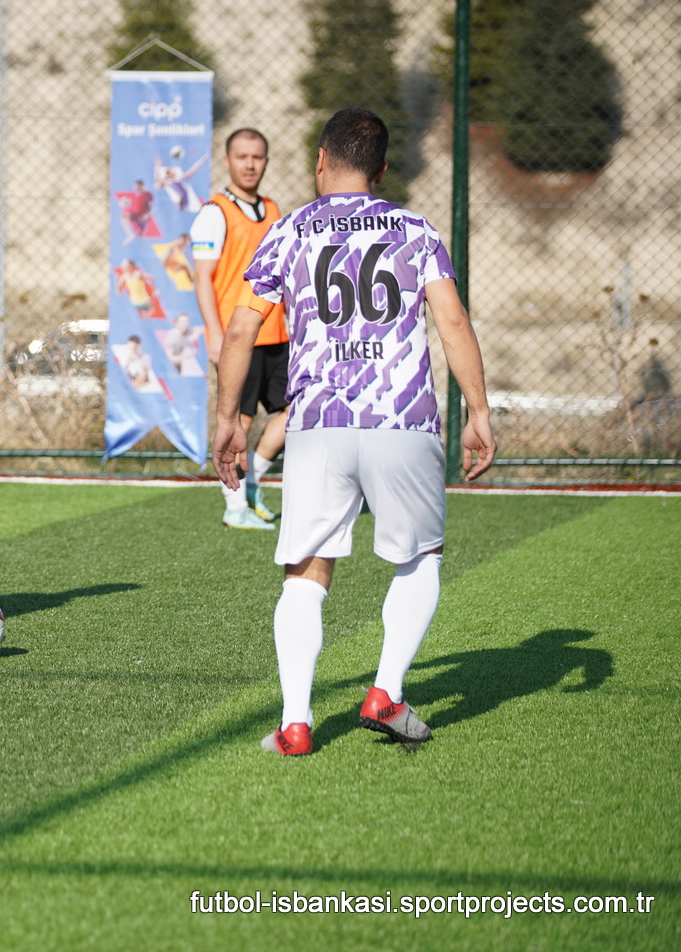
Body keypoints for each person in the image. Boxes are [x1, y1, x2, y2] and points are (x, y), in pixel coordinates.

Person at [211, 107, 495, 756]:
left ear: (320, 160)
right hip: (403, 420)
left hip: (318, 423)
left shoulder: (289, 229)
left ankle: (295, 723)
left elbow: (241, 328)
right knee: (420, 557)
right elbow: (452, 322)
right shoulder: (415, 230)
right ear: (382, 169)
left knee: (306, 573)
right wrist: (479, 410)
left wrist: (228, 419)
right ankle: (385, 692)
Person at [192, 127, 286, 531]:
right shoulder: (215, 212)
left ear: (266, 161)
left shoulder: (274, 209)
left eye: (257, 156)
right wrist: (215, 333)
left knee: (298, 410)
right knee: (239, 421)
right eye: (242, 156)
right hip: (238, 337)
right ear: (227, 161)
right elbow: (201, 278)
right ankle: (234, 507)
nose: (250, 164)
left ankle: (253, 481)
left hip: (277, 333)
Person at [119, 179, 155, 244]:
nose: (136, 188)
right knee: (124, 215)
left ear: (142, 186)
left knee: (141, 235)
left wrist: (146, 215)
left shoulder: (148, 194)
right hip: (137, 216)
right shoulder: (138, 195)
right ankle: (130, 234)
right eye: (135, 187)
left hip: (143, 218)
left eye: (137, 187)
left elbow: (152, 207)